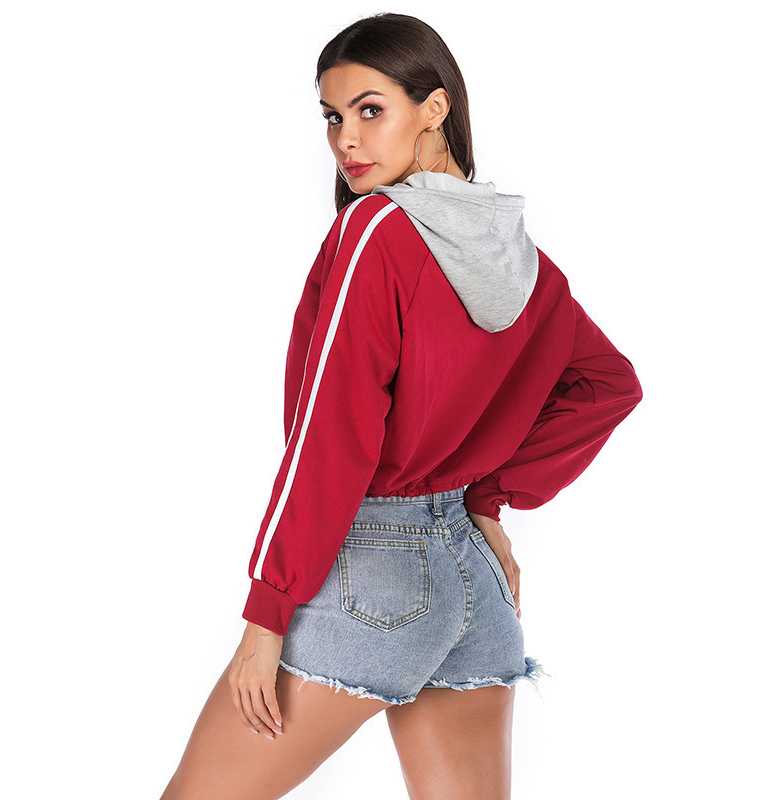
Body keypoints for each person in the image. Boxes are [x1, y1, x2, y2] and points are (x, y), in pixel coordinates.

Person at [159, 12, 643, 800]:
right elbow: (608, 384)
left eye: (370, 109)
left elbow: (330, 435)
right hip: (473, 584)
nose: (346, 140)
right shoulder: (516, 253)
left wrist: (267, 613)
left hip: (372, 572)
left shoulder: (376, 230)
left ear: (434, 107)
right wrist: (486, 499)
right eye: (332, 117)